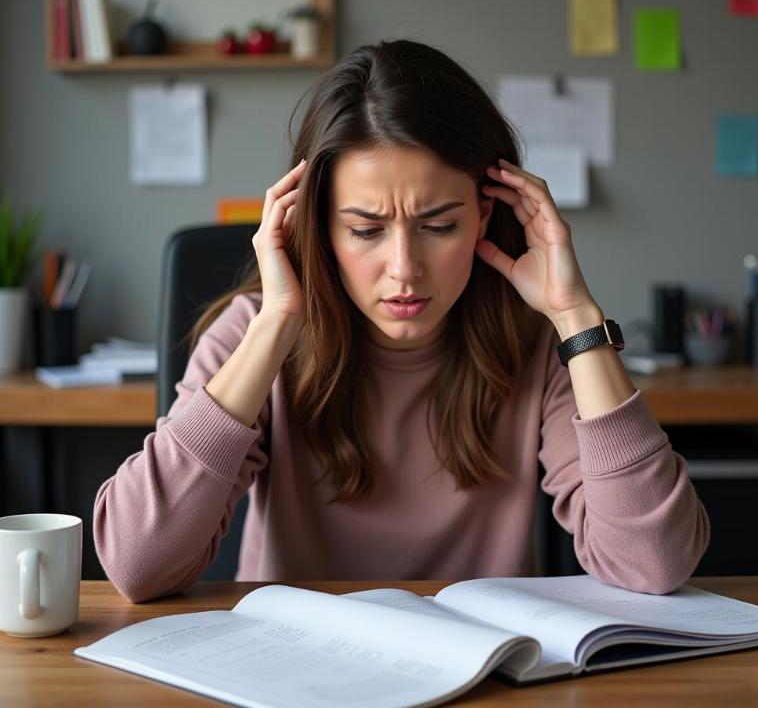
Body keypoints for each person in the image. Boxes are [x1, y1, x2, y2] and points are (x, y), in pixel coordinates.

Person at [94, 39, 709, 603]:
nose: (405, 269)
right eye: (365, 230)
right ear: (318, 230)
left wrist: (576, 317)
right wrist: (276, 324)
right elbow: (137, 565)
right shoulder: (250, 333)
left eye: (438, 226)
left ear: (486, 217)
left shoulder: (540, 344)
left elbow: (652, 564)